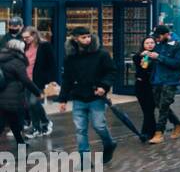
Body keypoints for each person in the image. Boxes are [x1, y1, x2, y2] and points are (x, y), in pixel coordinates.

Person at [58, 27, 116, 164]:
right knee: (80, 129)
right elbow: (67, 79)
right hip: (78, 97)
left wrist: (104, 86)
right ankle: (84, 158)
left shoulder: (101, 54)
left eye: (88, 36)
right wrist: (63, 99)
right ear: (75, 38)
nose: (87, 39)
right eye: (83, 37)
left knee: (99, 126)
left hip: (96, 96)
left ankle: (109, 144)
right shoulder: (70, 57)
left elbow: (111, 71)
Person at [148, 24, 180, 139]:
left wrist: (159, 57)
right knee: (159, 105)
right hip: (157, 80)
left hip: (170, 80)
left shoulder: (179, 47)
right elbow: (154, 60)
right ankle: (178, 124)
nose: (156, 39)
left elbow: (176, 64)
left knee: (164, 105)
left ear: (167, 35)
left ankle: (159, 133)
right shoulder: (159, 46)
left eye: (158, 37)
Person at [0, 38, 41, 146]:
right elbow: (26, 80)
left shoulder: (2, 58)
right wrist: (38, 92)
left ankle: (21, 143)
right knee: (3, 122)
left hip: (3, 93)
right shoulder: (17, 61)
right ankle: (21, 143)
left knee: (13, 121)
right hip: (12, 96)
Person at [20, 26, 56, 136]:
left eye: (27, 37)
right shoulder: (24, 47)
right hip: (26, 80)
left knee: (33, 102)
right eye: (23, 38)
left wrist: (52, 80)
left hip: (39, 80)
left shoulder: (45, 46)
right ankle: (36, 128)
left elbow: (52, 64)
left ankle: (45, 122)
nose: (25, 40)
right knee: (29, 105)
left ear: (34, 35)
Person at [135, 36, 162, 144]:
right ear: (143, 45)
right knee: (146, 110)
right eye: (147, 43)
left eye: (152, 42)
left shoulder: (157, 56)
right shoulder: (139, 56)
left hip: (153, 86)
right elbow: (137, 61)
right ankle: (150, 132)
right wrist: (142, 55)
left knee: (149, 110)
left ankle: (146, 133)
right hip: (141, 86)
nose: (150, 45)